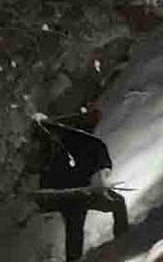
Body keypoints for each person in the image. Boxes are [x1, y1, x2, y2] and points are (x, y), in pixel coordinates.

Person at [28, 107, 128, 261]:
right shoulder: (51, 145)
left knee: (117, 203)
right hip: (69, 196)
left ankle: (123, 246)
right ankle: (121, 247)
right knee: (75, 230)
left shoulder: (74, 140)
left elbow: (95, 156)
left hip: (84, 190)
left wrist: (99, 178)